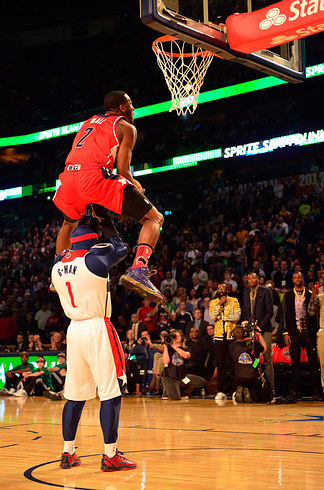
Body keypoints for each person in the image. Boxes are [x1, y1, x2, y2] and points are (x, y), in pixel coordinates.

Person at [53, 91, 164, 303]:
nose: (132, 108)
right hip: (93, 177)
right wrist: (135, 184)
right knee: (154, 218)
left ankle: (57, 271)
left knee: (68, 224)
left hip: (68, 178)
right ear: (122, 108)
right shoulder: (125, 127)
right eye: (130, 104)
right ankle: (139, 269)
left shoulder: (88, 122)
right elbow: (122, 170)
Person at [51, 224, 136, 471]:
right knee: (111, 392)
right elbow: (122, 248)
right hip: (98, 326)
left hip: (74, 330)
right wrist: (107, 223)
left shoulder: (57, 265)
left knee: (74, 396)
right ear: (93, 242)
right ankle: (110, 454)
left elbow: (62, 247)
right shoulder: (95, 259)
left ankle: (68, 452)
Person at [280, 272, 321, 401]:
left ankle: (317, 392)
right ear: (292, 280)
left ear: (303, 279)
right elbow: (284, 316)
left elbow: (315, 314)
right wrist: (285, 333)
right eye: (295, 277)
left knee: (313, 363)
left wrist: (315, 333)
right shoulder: (287, 296)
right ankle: (296, 392)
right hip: (294, 332)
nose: (297, 279)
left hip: (308, 332)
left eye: (299, 277)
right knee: (295, 364)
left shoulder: (310, 294)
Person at [241, 272, 275, 395]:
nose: (251, 280)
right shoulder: (245, 293)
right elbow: (245, 312)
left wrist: (259, 326)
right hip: (250, 332)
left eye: (253, 278)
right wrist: (245, 323)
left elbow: (269, 312)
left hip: (264, 330)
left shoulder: (265, 291)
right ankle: (256, 388)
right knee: (255, 359)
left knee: (267, 359)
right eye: (249, 278)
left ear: (258, 279)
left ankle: (271, 389)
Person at [209, 283, 241, 398]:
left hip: (231, 336)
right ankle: (221, 390)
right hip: (218, 336)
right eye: (220, 288)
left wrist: (223, 317)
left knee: (232, 364)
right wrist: (219, 304)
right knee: (220, 364)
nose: (222, 290)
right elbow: (212, 317)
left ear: (228, 289)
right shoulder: (213, 303)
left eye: (224, 288)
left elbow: (237, 317)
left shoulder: (234, 300)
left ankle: (234, 390)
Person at [230, 325, 272, 403]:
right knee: (265, 395)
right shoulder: (253, 343)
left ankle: (241, 391)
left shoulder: (232, 346)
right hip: (253, 374)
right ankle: (250, 394)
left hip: (239, 376)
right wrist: (259, 335)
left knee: (242, 368)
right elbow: (264, 349)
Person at [162, 329, 204, 400]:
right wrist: (165, 347)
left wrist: (174, 346)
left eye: (178, 336)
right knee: (176, 399)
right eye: (174, 336)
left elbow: (186, 355)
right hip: (170, 377)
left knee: (200, 381)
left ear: (182, 338)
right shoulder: (168, 349)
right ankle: (167, 392)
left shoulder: (186, 348)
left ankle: (181, 392)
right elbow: (166, 361)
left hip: (182, 377)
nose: (176, 337)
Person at [308, 284, 324, 392]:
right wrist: (313, 297)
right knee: (323, 363)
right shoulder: (321, 297)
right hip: (323, 331)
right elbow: (311, 312)